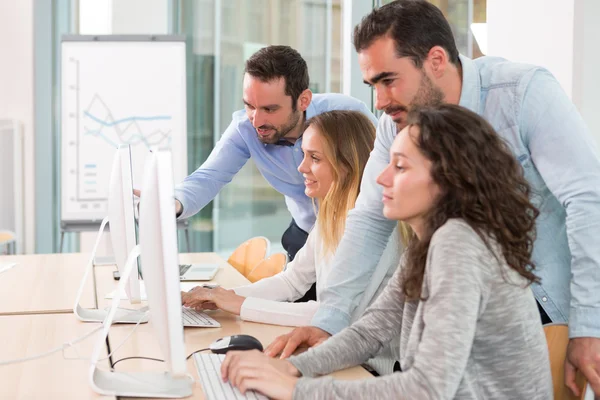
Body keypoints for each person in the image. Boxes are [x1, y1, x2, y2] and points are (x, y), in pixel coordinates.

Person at [266, 1, 600, 396]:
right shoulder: (401, 125)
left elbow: (587, 201)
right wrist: (328, 321)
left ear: (436, 60)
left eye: (389, 79)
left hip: (548, 308)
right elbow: (369, 217)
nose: (380, 101)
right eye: (372, 85)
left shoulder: (522, 93)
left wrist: (589, 325)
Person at [217, 105, 553, 399]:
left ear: (449, 180)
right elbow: (371, 330)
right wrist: (292, 368)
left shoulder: (460, 244)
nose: (380, 178)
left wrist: (296, 390)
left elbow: (427, 390)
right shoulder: (428, 241)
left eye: (401, 167)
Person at [174, 45, 377, 302]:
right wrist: (174, 203)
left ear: (303, 100)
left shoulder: (346, 117)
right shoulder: (245, 129)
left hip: (357, 231)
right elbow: (209, 176)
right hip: (310, 233)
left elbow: (384, 168)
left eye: (270, 109)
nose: (256, 120)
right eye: (249, 106)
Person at [181, 110, 398, 337]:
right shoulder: (331, 218)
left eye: (314, 158)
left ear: (347, 164)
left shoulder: (374, 232)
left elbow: (329, 314)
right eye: (303, 155)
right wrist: (220, 296)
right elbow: (292, 282)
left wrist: (239, 305)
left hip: (372, 362)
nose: (301, 167)